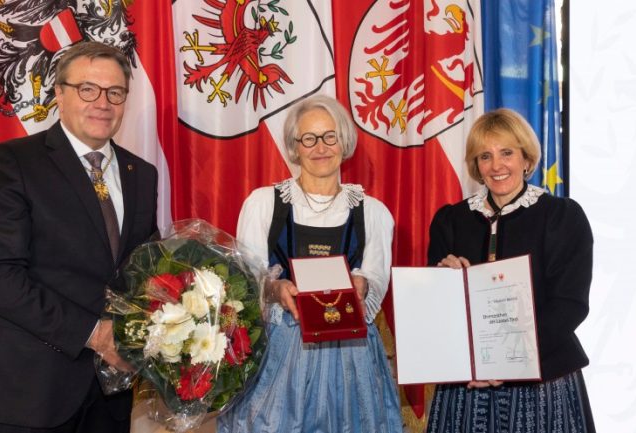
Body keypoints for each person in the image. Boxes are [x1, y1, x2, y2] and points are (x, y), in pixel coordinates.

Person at [0, 41, 159, 433]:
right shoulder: (15, 162)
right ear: (59, 93)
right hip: (29, 391)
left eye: (115, 92)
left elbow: (145, 270)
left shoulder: (141, 174)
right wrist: (94, 334)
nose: (102, 103)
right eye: (87, 89)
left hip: (110, 398)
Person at [217, 95, 402, 432]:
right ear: (294, 147)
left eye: (330, 136)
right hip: (280, 351)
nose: (321, 147)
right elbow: (246, 281)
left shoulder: (373, 212)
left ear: (344, 142)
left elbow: (375, 278)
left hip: (350, 355)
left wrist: (363, 285)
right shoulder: (263, 204)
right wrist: (273, 288)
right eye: (309, 138)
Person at [426, 108, 595, 433]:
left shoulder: (562, 217)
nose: (496, 166)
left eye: (507, 153)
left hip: (541, 381)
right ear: (476, 165)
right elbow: (437, 308)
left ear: (526, 158)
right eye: (485, 156)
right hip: (467, 385)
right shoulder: (450, 220)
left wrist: (510, 357)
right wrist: (442, 278)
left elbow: (570, 304)